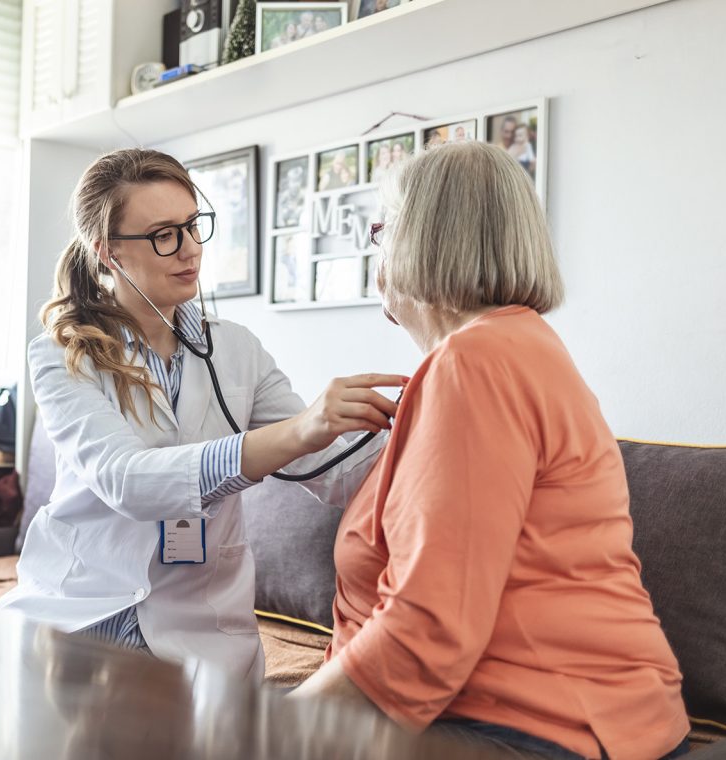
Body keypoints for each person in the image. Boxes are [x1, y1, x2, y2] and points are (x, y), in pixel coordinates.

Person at [292, 142, 690, 759]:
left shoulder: (474, 363)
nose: (376, 255)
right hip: (567, 716)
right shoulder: (513, 348)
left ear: (420, 242)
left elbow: (429, 629)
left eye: (379, 233)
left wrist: (267, 727)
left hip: (540, 723)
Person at [0, 148, 405, 681]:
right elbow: (128, 483)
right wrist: (301, 430)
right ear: (108, 253)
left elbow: (334, 468)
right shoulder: (61, 355)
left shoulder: (237, 351)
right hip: (82, 613)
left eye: (193, 227)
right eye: (164, 235)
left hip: (198, 632)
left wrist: (414, 459)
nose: (190, 249)